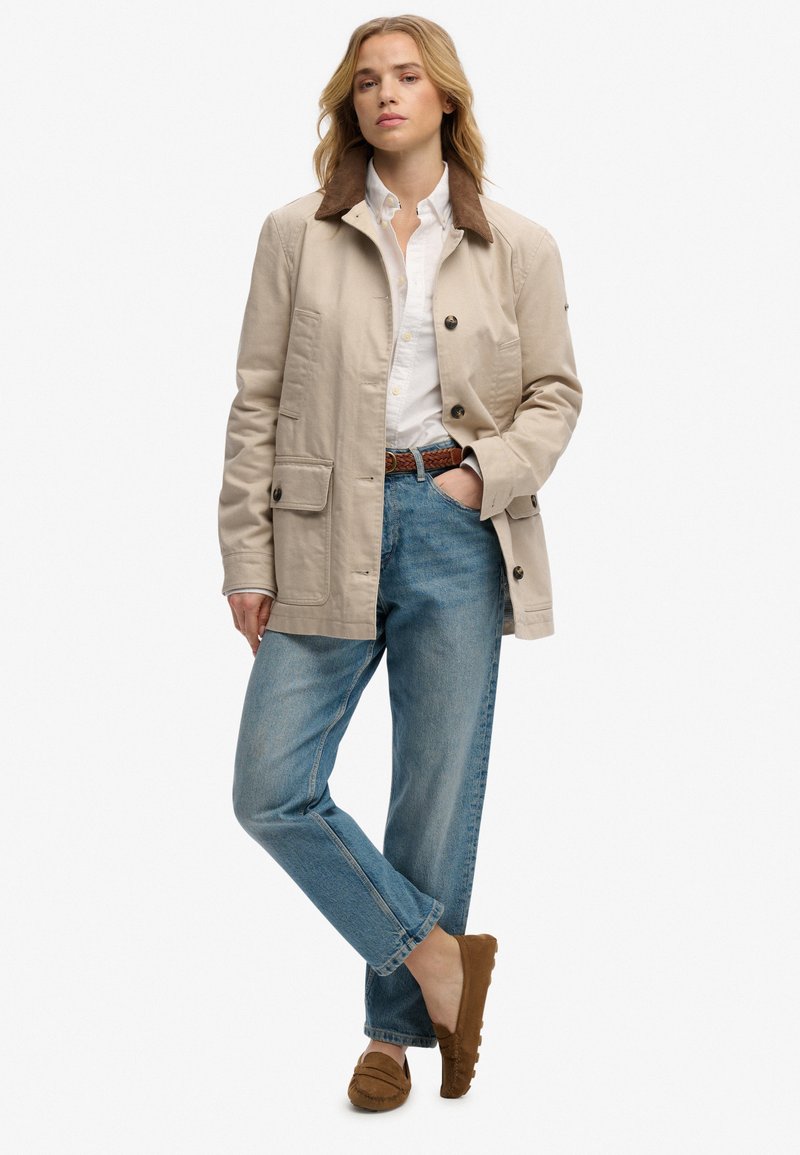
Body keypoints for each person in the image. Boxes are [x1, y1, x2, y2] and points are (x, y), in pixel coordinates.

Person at [218, 14, 582, 1111]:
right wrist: (245, 552)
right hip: (321, 526)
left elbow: (555, 394)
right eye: (367, 79)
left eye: (407, 77)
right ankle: (435, 959)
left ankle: (390, 1039)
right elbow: (257, 401)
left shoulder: (517, 243)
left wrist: (482, 476)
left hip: (454, 528)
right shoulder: (297, 232)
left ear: (444, 99)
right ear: (350, 103)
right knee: (270, 788)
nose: (385, 94)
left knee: (432, 791)